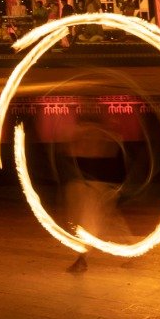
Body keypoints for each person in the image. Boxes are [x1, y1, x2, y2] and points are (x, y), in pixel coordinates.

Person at [59, 112, 134, 273]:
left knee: (88, 222)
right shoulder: (106, 135)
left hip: (93, 184)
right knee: (108, 218)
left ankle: (81, 260)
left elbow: (72, 157)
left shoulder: (88, 134)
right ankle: (132, 251)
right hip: (93, 183)